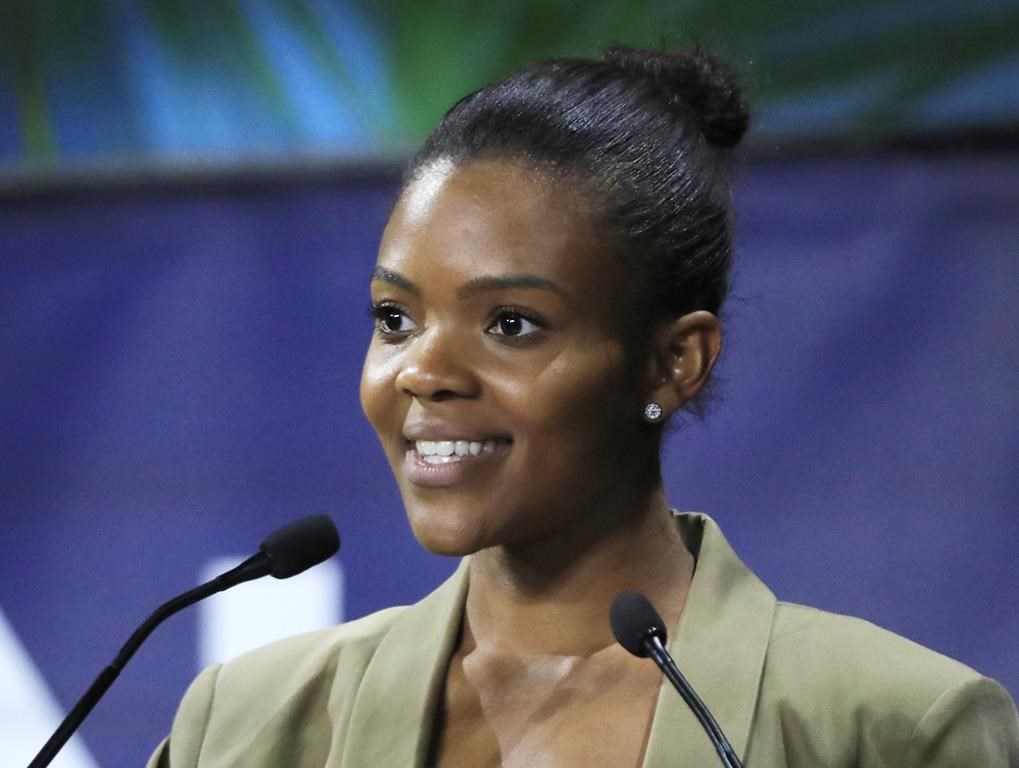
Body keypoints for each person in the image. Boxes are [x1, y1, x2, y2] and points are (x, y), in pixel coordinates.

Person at [148, 47, 1019, 767]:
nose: (423, 371)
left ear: (674, 361)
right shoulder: (247, 727)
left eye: (511, 323)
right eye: (395, 318)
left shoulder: (891, 728)